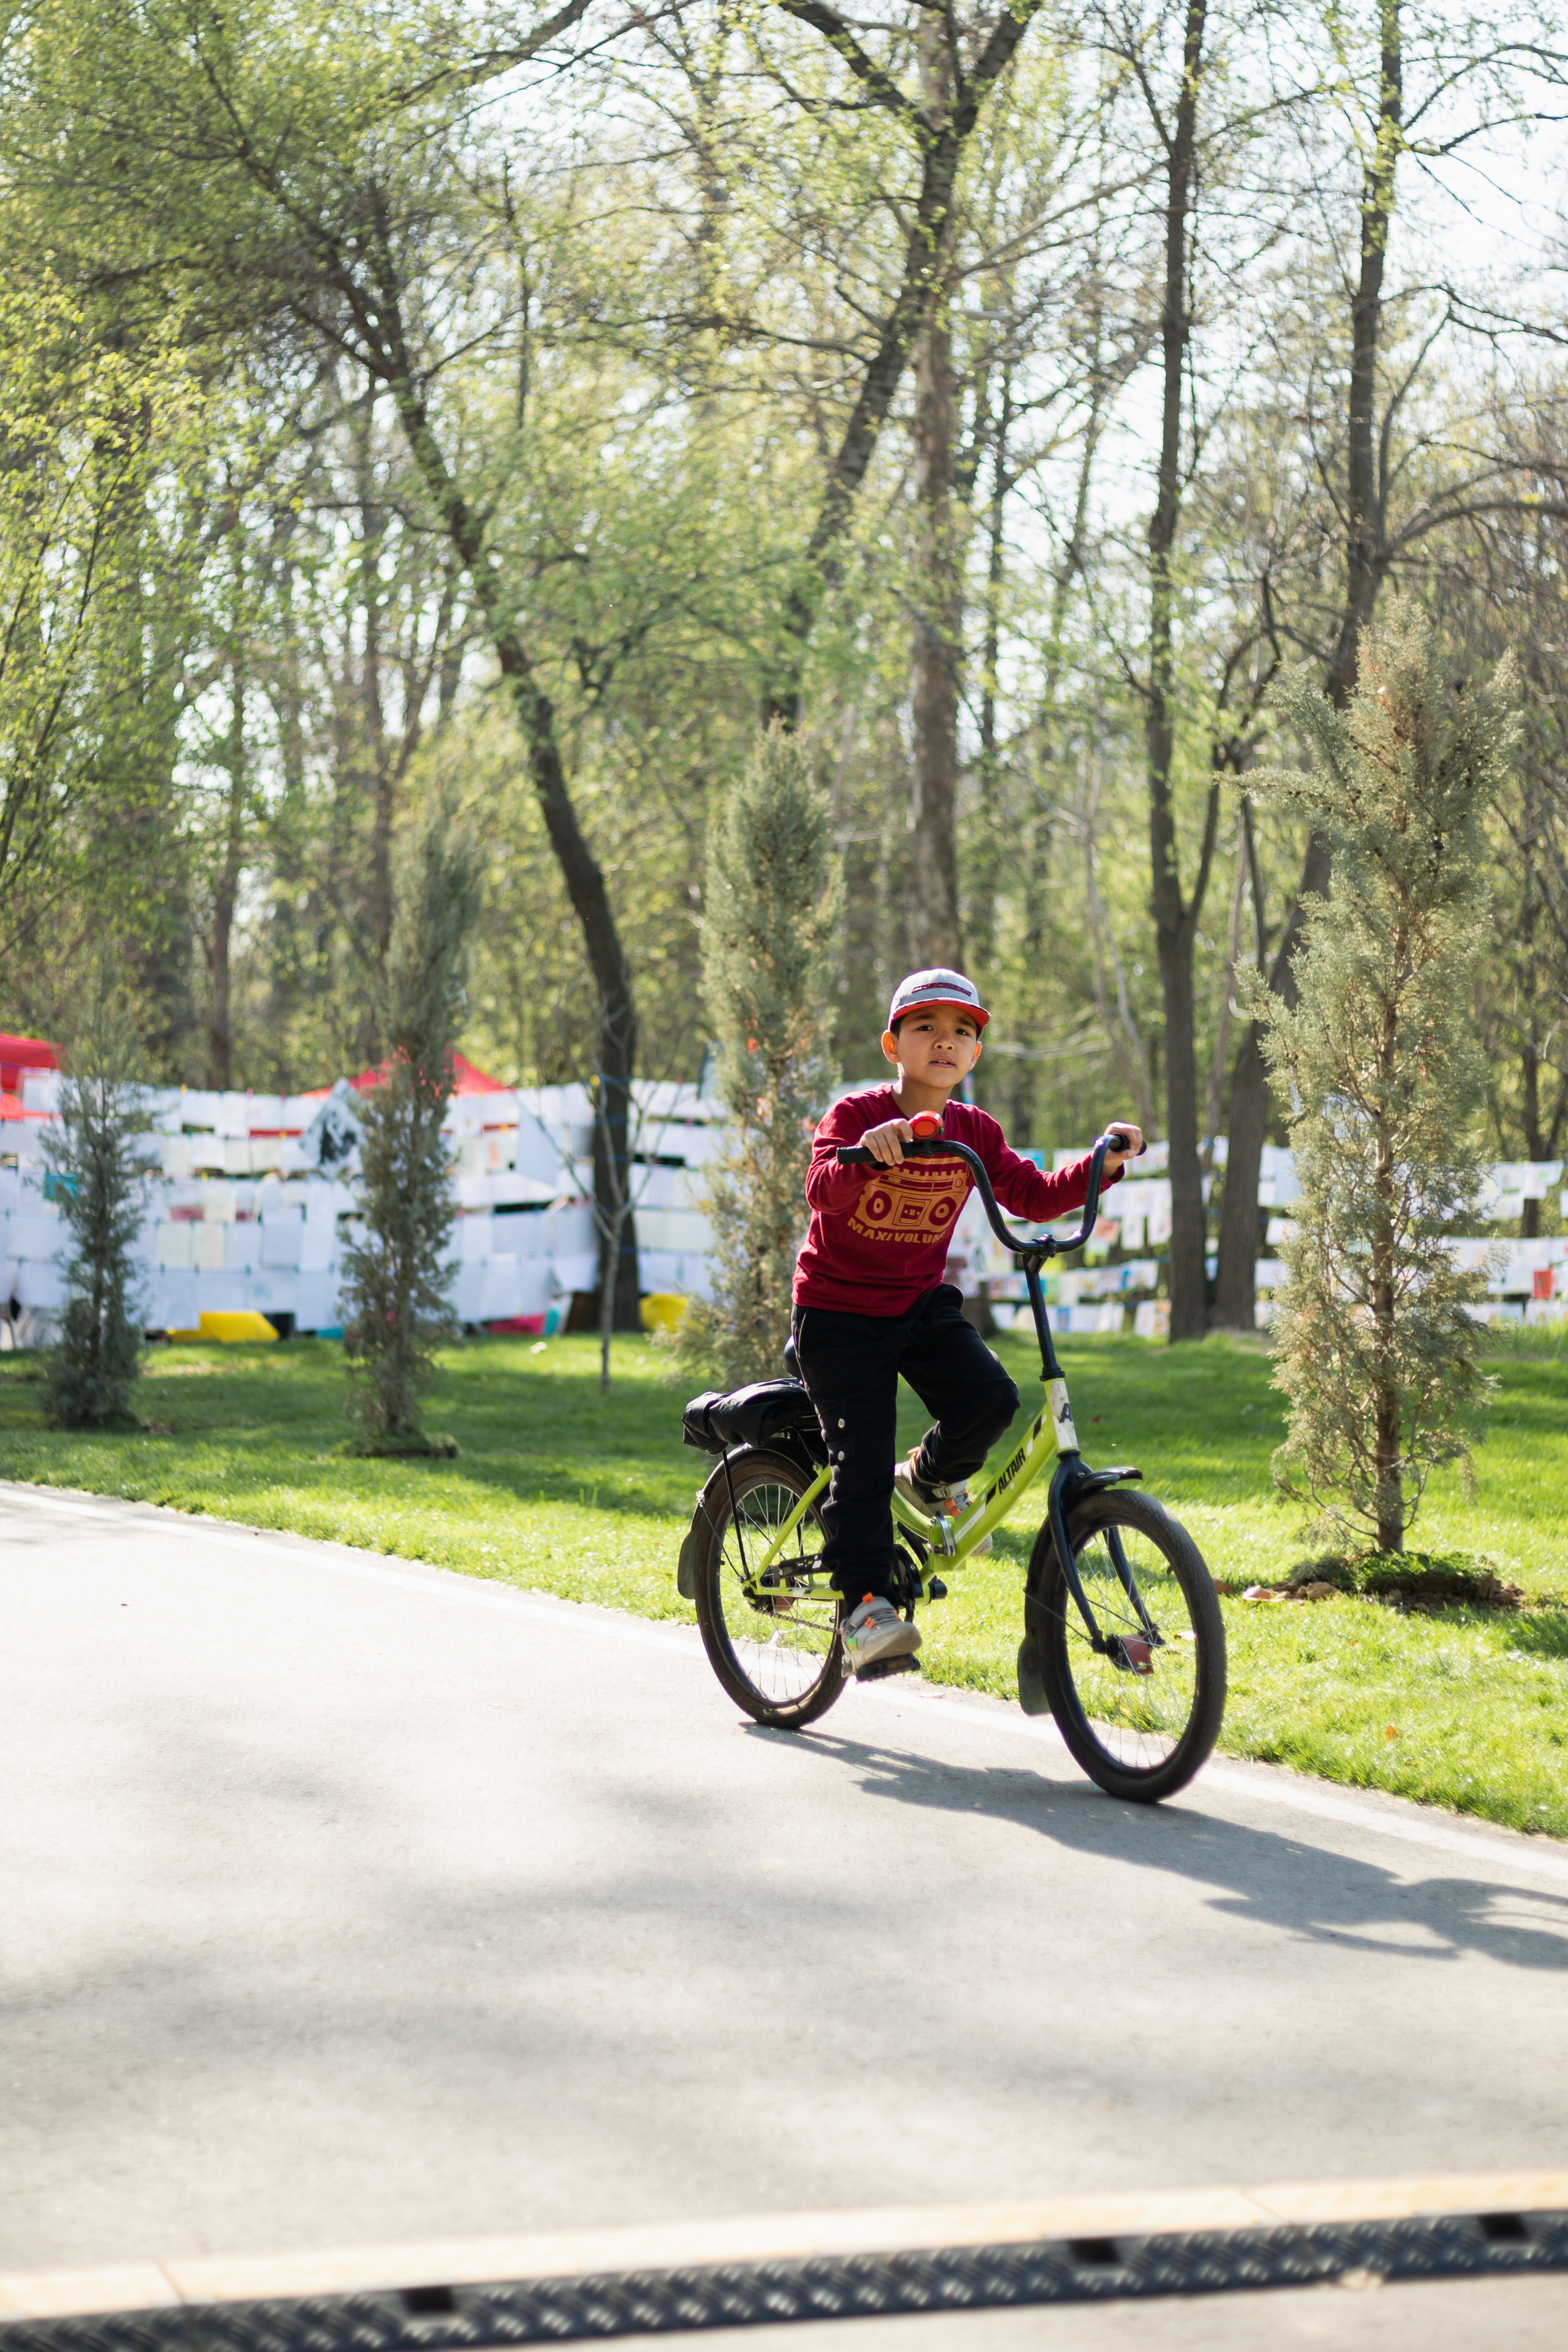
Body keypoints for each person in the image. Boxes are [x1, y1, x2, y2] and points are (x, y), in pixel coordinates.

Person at [791, 967, 1143, 1674]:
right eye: (925, 1028)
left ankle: (923, 1477)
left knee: (990, 1398)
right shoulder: (856, 1115)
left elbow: (1033, 1196)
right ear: (893, 1045)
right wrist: (870, 1152)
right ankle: (862, 1608)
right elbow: (821, 1189)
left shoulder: (975, 1130)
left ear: (975, 1054)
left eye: (961, 1032)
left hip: (916, 1303)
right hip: (838, 1313)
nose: (944, 1043)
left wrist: (1101, 1165)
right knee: (859, 1465)